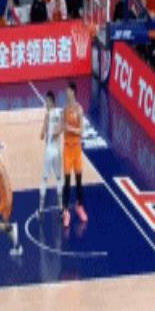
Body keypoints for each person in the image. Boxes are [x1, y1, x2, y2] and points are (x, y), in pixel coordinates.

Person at [62, 82, 87, 227]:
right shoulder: (65, 109)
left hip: (76, 149)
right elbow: (63, 127)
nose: (66, 92)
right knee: (66, 183)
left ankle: (79, 206)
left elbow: (81, 130)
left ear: (73, 92)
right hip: (67, 149)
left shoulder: (79, 109)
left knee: (79, 181)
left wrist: (70, 128)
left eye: (68, 90)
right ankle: (66, 212)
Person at [38, 91, 63, 218]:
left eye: (47, 101)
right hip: (57, 151)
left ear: (52, 101)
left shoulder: (47, 115)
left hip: (49, 151)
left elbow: (41, 135)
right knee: (59, 178)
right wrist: (55, 132)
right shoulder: (60, 112)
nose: (46, 104)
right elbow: (61, 128)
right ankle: (61, 208)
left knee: (44, 179)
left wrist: (46, 131)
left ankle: (41, 209)